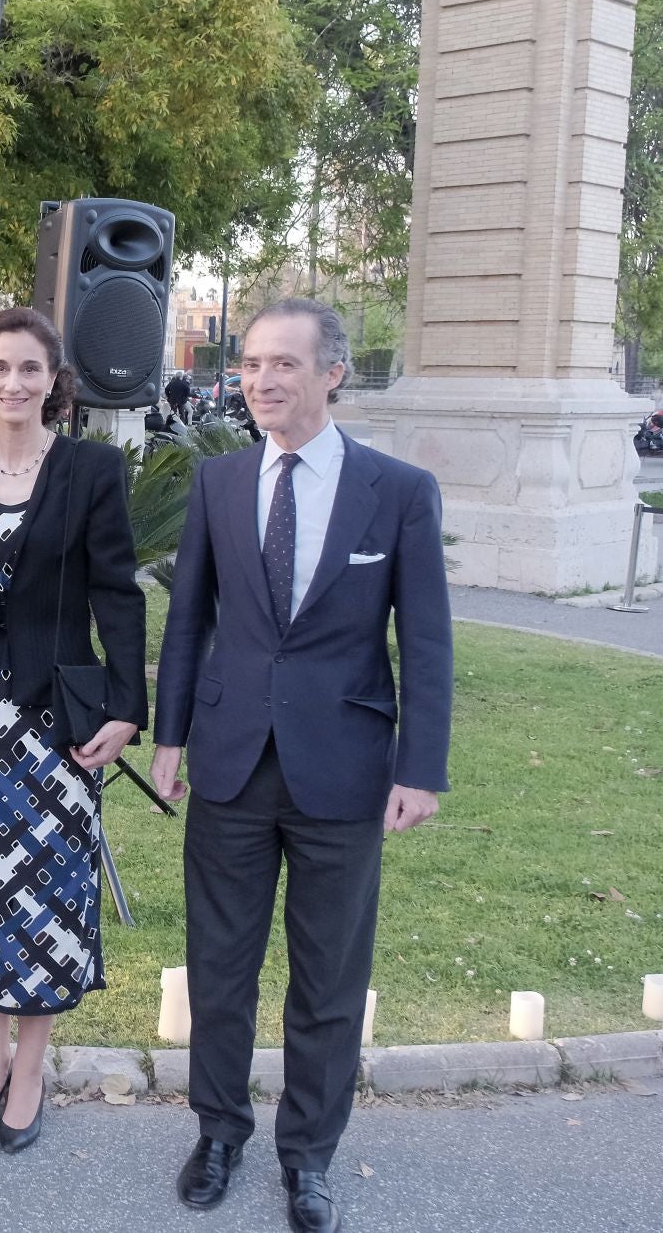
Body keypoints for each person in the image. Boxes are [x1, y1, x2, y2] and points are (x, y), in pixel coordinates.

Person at [152, 297, 452, 1233]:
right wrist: (169, 739)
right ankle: (218, 1133)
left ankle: (309, 1156)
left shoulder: (397, 491)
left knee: (328, 980)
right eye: (250, 364)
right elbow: (189, 619)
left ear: (333, 373)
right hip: (230, 764)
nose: (261, 380)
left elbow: (426, 641)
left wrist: (420, 768)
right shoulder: (219, 482)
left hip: (345, 771)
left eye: (283, 363)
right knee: (220, 969)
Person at [0, 306, 145, 1153]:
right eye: (0, 367)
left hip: (52, 722)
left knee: (42, 894)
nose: (14, 383)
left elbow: (116, 592)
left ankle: (31, 1071)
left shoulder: (92, 469)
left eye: (30, 369)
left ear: (54, 381)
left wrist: (127, 707)